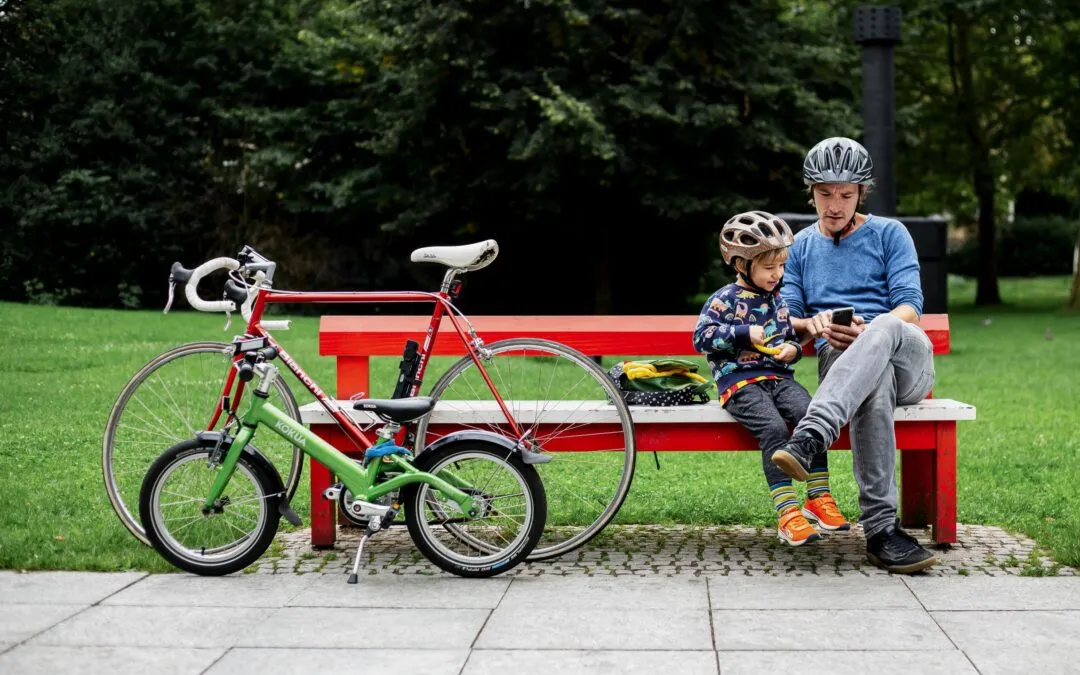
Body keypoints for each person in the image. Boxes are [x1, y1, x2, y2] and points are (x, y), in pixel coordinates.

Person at [771, 136, 938, 573]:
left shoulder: (889, 233)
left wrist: (871, 330)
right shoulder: (800, 247)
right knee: (872, 384)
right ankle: (882, 532)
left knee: (883, 328)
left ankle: (810, 437)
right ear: (811, 192)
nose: (834, 204)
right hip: (842, 365)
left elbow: (910, 308)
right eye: (825, 194)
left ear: (861, 193)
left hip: (907, 358)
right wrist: (816, 324)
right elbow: (790, 317)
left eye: (845, 195)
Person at [693, 210, 850, 547]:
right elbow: (701, 338)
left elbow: (786, 338)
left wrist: (792, 350)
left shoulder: (777, 301)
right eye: (769, 268)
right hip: (740, 383)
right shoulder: (723, 301)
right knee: (775, 429)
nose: (777, 274)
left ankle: (818, 497)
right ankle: (788, 513)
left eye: (781, 266)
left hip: (777, 377)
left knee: (811, 415)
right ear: (741, 264)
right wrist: (741, 333)